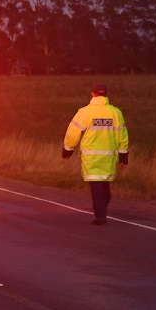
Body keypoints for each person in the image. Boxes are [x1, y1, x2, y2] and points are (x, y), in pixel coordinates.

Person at [62, 83, 129, 225]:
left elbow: (73, 132)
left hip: (91, 157)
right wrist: (124, 155)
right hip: (109, 157)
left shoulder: (85, 112)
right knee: (104, 186)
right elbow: (123, 136)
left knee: (96, 187)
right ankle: (101, 211)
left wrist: (68, 149)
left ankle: (100, 215)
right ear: (106, 94)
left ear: (93, 94)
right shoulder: (115, 113)